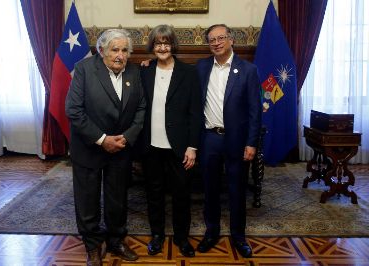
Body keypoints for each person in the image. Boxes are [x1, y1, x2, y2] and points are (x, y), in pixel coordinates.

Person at [65, 29, 146, 266]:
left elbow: (141, 108)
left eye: (124, 50)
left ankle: (116, 240)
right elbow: (74, 110)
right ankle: (92, 246)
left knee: (117, 199)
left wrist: (127, 137)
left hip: (121, 148)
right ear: (102, 51)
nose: (120, 55)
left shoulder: (134, 71)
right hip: (89, 147)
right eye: (115, 49)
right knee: (87, 199)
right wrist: (102, 139)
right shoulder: (84, 70)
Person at [195, 24, 262, 258]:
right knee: (210, 190)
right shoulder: (201, 67)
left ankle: (238, 236)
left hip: (237, 140)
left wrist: (251, 143)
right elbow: (176, 75)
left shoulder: (248, 70)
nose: (216, 43)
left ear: (231, 40)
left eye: (221, 38)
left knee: (236, 190)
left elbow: (255, 111)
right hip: (209, 138)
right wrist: (148, 64)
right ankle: (211, 232)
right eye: (211, 39)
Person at [139, 24, 201, 257]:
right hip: (150, 144)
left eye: (166, 43)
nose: (162, 47)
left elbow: (196, 112)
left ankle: (182, 238)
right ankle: (157, 235)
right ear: (152, 47)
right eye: (157, 43)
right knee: (153, 192)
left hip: (179, 146)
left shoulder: (189, 72)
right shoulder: (144, 70)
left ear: (172, 45)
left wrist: (192, 146)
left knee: (181, 194)